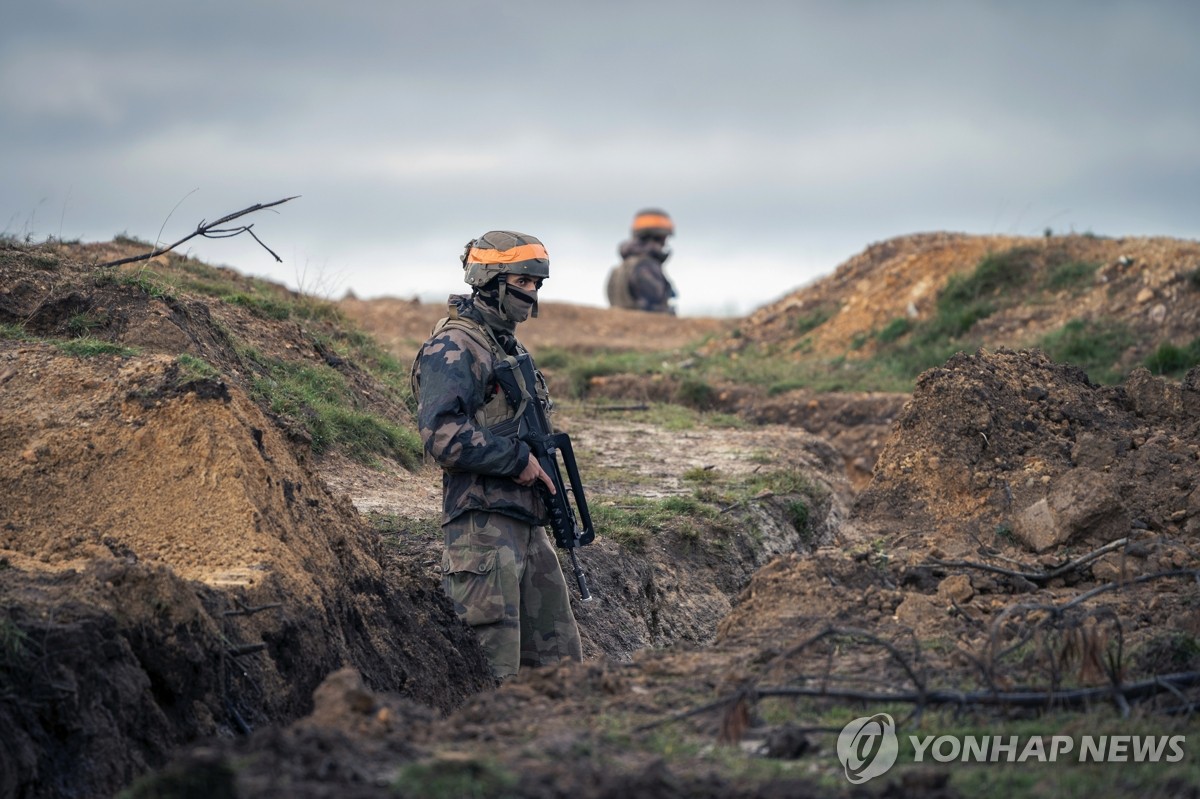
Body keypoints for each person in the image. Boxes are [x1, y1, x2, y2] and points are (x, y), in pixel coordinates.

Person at [410, 230, 583, 680]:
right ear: (490, 279)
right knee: (494, 675)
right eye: (523, 282)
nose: (532, 293)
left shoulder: (504, 344)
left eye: (537, 284)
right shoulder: (454, 345)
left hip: (524, 525)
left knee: (559, 671)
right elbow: (443, 435)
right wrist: (516, 460)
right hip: (481, 530)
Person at [605, 208, 678, 314]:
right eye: (665, 238)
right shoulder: (645, 267)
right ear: (659, 237)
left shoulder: (620, 268)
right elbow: (653, 308)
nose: (665, 243)